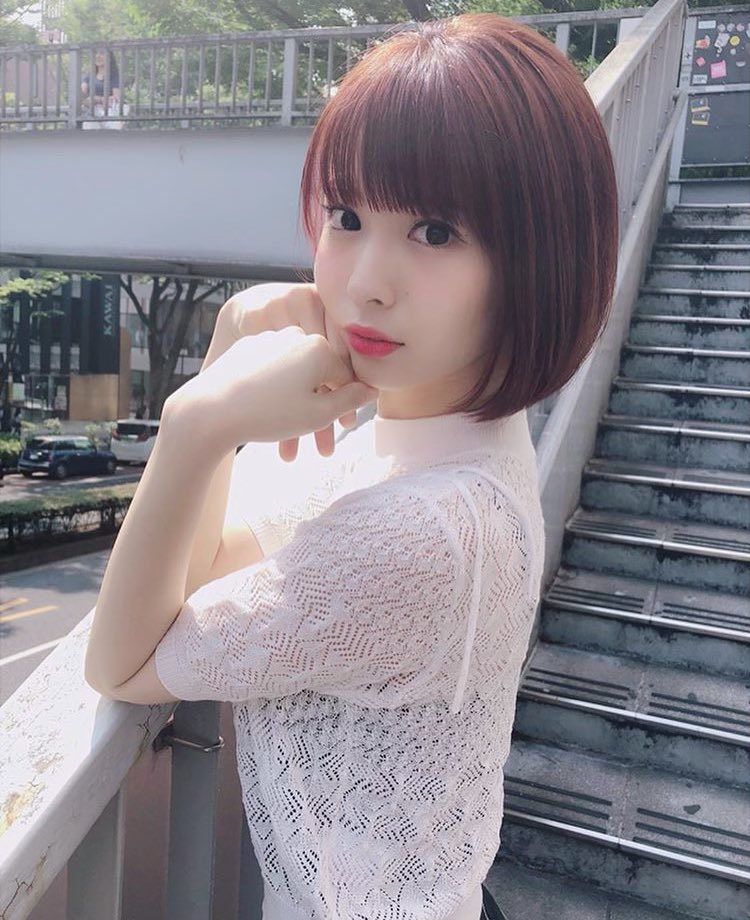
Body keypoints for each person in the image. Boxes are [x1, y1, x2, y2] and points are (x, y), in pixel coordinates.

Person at [84, 12, 618, 920]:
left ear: (542, 260)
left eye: (436, 232)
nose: (367, 280)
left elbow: (122, 663)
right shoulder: (444, 436)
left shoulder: (422, 535)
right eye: (346, 216)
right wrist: (227, 349)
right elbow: (207, 569)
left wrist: (197, 420)